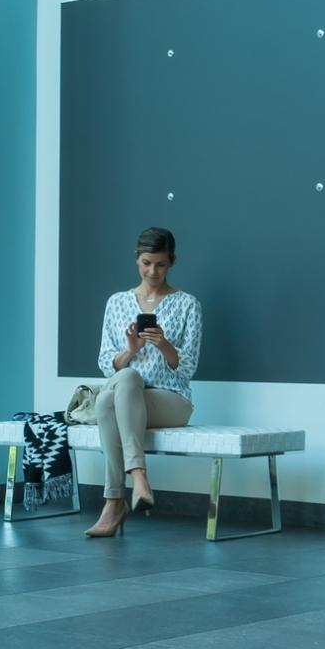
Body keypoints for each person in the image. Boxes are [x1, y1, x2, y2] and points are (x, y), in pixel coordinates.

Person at [87, 228, 202, 538]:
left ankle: (116, 499)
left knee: (108, 398)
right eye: (147, 263)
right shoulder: (116, 303)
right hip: (126, 394)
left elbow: (188, 368)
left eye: (161, 264)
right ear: (137, 259)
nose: (153, 271)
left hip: (171, 400)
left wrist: (164, 344)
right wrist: (131, 351)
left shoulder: (188, 304)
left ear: (172, 262)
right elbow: (105, 363)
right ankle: (134, 483)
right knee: (121, 383)